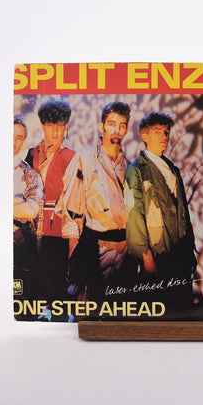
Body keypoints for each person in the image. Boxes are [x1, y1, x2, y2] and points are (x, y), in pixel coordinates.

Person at [59, 101, 132, 300]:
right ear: (102, 126)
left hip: (125, 248)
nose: (117, 130)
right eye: (112, 124)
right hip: (96, 245)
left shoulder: (130, 167)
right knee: (88, 304)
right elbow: (72, 208)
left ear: (126, 129)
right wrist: (74, 258)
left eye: (122, 125)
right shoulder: (85, 158)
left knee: (117, 306)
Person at [125, 112, 197, 309]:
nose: (164, 136)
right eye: (158, 131)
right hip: (157, 251)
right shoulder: (136, 170)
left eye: (166, 131)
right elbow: (134, 216)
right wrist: (145, 255)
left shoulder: (172, 169)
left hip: (180, 250)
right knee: (158, 305)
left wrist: (190, 249)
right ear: (145, 135)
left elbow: (184, 213)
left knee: (181, 306)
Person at [25, 99, 76, 312]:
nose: (55, 131)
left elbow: (75, 198)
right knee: (33, 279)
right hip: (30, 225)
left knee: (56, 283)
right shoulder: (32, 153)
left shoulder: (72, 156)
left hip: (58, 229)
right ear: (42, 126)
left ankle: (58, 321)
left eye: (60, 126)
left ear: (66, 126)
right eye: (50, 125)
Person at [13, 116, 43, 301]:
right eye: (10, 136)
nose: (14, 142)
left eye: (19, 137)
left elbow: (32, 209)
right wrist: (17, 202)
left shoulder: (29, 173)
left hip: (19, 244)